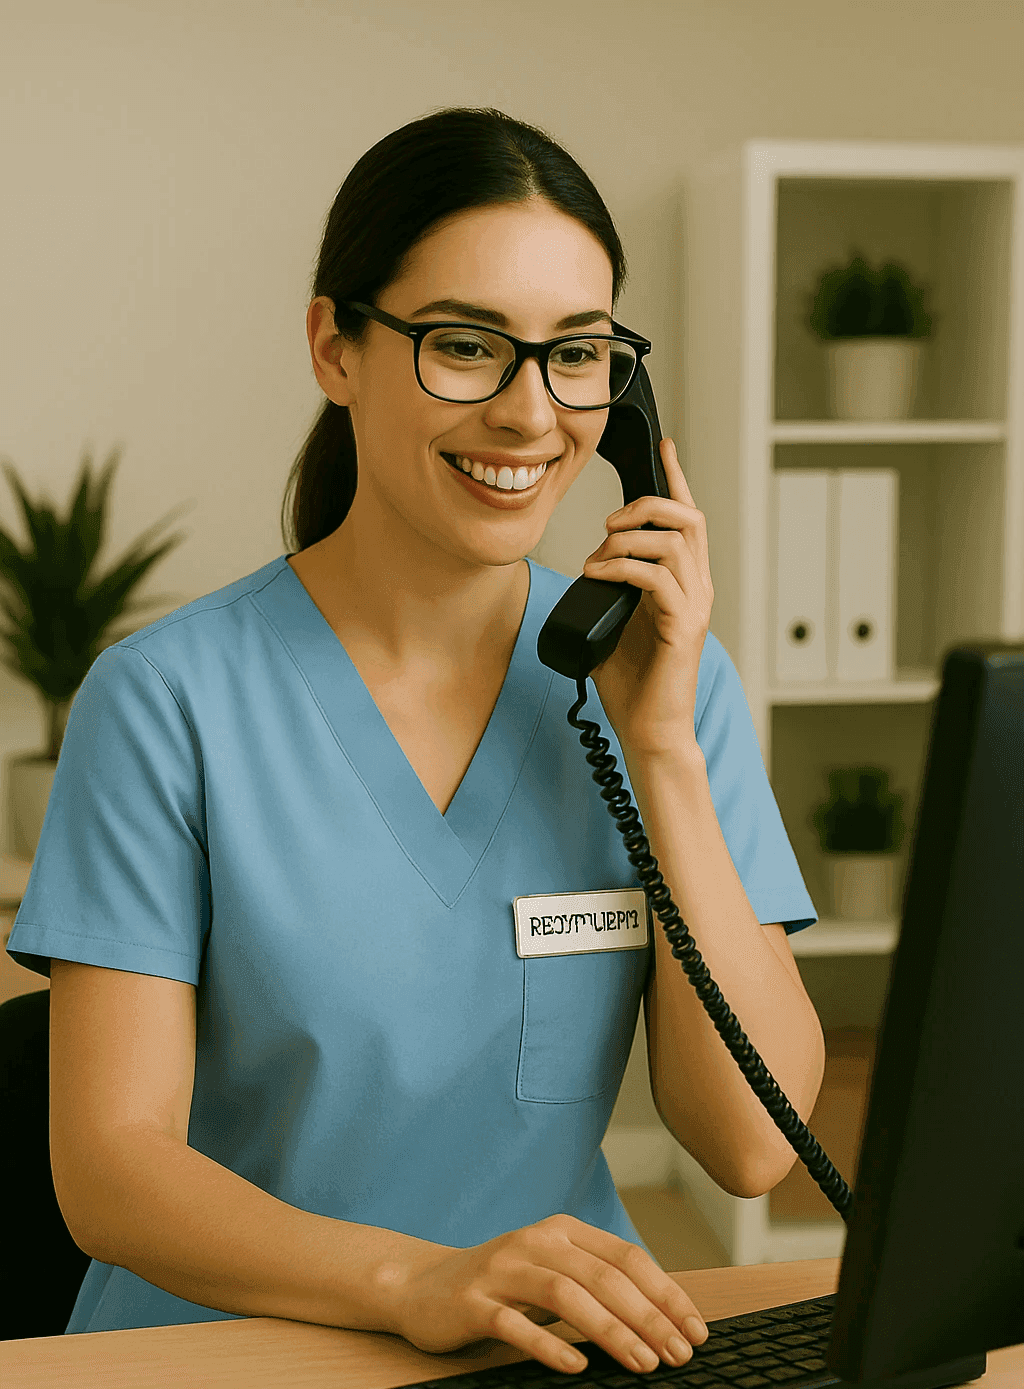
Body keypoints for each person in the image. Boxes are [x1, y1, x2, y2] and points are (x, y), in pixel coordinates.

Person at [6, 107, 821, 1372]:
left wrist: (660, 751)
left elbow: (753, 1146)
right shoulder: (165, 700)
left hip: (547, 1352)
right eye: (463, 345)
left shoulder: (660, 680)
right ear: (335, 346)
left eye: (577, 356)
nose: (528, 413)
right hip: (220, 1356)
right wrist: (415, 1279)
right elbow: (111, 1174)